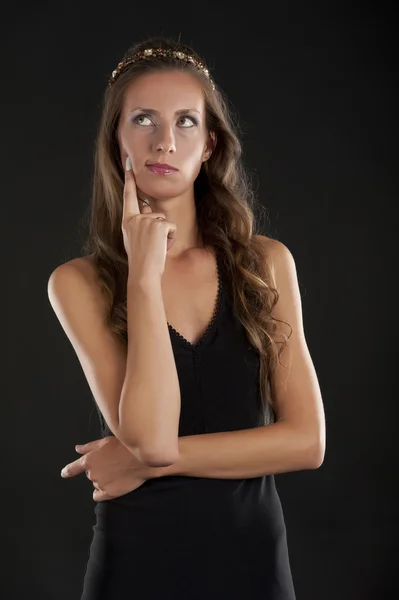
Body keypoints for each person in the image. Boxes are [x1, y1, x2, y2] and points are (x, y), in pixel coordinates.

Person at [48, 36, 325, 599]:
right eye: (144, 119)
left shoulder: (264, 264)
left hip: (252, 561)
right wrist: (143, 276)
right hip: (137, 564)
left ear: (210, 144)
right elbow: (149, 437)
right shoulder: (77, 282)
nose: (165, 141)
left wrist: (150, 465)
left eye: (186, 123)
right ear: (116, 139)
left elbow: (305, 442)